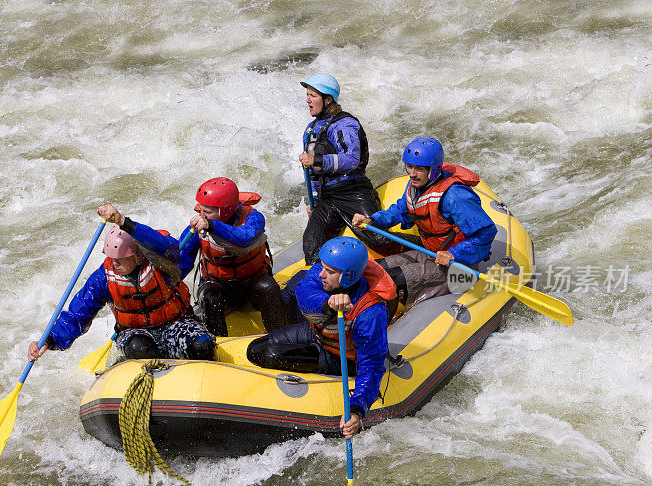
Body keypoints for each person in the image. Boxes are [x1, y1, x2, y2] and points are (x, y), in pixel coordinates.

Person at [246, 237, 397, 439]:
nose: (321, 274)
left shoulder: (371, 312)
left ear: (348, 276)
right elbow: (304, 292)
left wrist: (356, 410)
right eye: (323, 267)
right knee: (255, 349)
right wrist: (328, 305)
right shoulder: (325, 275)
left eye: (330, 272)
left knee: (272, 355)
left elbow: (371, 365)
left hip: (342, 357)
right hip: (317, 335)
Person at [28, 204, 216, 363]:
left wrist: (122, 221)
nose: (115, 263)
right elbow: (79, 312)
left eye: (121, 258)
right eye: (112, 258)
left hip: (176, 324)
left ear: (138, 255)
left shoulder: (160, 263)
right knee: (140, 348)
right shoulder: (104, 277)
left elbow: (167, 246)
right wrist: (50, 340)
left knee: (202, 346)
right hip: (135, 332)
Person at [352, 137, 497, 308]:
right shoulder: (417, 185)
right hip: (432, 253)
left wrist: (453, 254)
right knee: (373, 268)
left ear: (433, 170)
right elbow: (401, 209)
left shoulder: (456, 196)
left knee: (390, 279)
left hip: (460, 268)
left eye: (419, 169)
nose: (412, 173)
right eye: (409, 166)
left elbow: (486, 232)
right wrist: (373, 220)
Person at [178, 177, 292, 337]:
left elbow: (245, 238)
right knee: (210, 297)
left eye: (207, 212)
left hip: (251, 282)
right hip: (219, 285)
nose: (201, 216)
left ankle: (282, 337)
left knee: (268, 287)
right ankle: (216, 345)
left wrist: (212, 226)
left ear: (225, 210)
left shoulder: (254, 218)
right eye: (201, 210)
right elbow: (184, 261)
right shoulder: (199, 226)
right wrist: (170, 284)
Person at [298, 73, 383, 265]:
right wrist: (315, 201)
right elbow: (312, 172)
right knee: (311, 243)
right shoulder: (310, 130)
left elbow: (351, 159)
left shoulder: (345, 123)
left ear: (328, 99)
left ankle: (428, 252)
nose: (307, 100)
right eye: (307, 95)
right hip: (328, 197)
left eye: (313, 95)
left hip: (353, 192)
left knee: (378, 240)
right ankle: (321, 283)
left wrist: (316, 159)